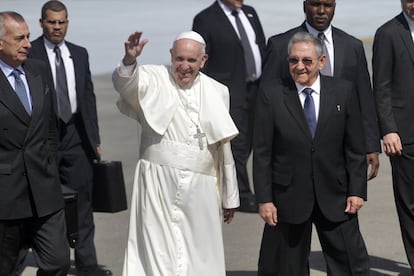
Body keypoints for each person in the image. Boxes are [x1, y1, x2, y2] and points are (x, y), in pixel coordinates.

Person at [112, 30, 239, 276]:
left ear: (203, 61)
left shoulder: (219, 91)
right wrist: (129, 60)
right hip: (157, 182)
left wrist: (229, 195)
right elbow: (125, 84)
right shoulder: (153, 77)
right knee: (156, 251)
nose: (184, 66)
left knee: (200, 253)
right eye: (179, 59)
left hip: (201, 187)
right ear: (171, 55)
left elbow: (224, 147)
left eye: (191, 60)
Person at [253, 32, 370, 275]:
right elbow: (263, 151)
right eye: (293, 60)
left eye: (307, 61)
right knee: (284, 267)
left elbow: (355, 147)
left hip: (336, 194)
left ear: (321, 61)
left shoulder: (343, 91)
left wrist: (357, 191)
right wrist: (265, 199)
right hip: (288, 197)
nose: (299, 66)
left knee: (350, 264)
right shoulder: (271, 94)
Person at [27, 1, 109, 275]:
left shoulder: (80, 53)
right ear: (42, 23)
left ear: (67, 23)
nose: (57, 27)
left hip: (76, 136)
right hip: (43, 138)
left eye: (62, 22)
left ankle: (87, 264)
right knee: (47, 204)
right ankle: (53, 263)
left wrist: (94, 138)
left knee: (83, 203)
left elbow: (88, 97)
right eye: (52, 22)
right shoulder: (31, 53)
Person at [262, 0, 381, 181]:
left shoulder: (351, 46)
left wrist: (371, 144)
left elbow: (364, 97)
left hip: (341, 149)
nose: (321, 11)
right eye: (315, 4)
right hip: (294, 151)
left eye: (328, 5)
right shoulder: (280, 45)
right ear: (304, 6)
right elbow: (266, 99)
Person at [0, 11, 70, 275]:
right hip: (6, 193)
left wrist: (50, 163)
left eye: (28, 37)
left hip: (44, 187)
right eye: (19, 38)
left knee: (58, 261)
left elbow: (51, 127)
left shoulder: (39, 69)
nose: (28, 43)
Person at [192, 0, 266, 212]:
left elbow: (260, 45)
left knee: (253, 140)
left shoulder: (249, 13)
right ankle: (241, 194)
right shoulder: (206, 19)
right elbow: (201, 60)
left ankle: (242, 188)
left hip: (256, 89)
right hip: (229, 92)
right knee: (238, 145)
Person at [372, 0, 414, 272]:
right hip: (405, 133)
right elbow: (382, 85)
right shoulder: (388, 33)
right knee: (410, 203)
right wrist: (388, 129)